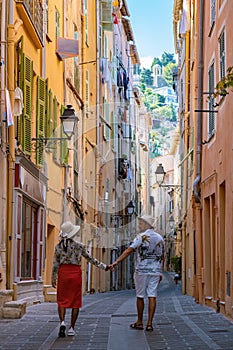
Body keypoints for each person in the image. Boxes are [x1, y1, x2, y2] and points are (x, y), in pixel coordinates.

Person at [52, 221, 109, 337]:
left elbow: (55, 264)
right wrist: (104, 266)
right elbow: (90, 259)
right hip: (75, 274)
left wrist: (53, 278)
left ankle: (62, 322)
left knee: (61, 300)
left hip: (63, 273)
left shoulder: (58, 247)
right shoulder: (79, 246)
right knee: (75, 302)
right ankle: (72, 328)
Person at [109, 215, 164, 331]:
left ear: (146, 225)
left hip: (142, 271)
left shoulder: (141, 237)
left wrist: (117, 261)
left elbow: (130, 250)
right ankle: (149, 324)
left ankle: (139, 322)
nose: (139, 226)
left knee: (140, 296)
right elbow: (162, 256)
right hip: (155, 271)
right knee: (152, 295)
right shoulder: (160, 238)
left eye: (140, 223)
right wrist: (160, 272)